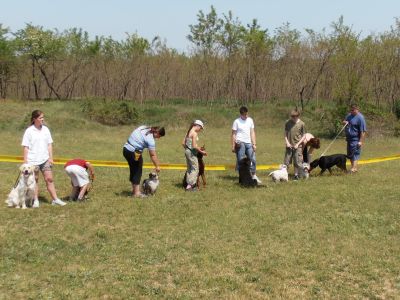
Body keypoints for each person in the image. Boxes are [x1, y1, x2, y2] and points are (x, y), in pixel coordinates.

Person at [21, 110, 67, 207]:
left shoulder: (46, 129)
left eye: (43, 117)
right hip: (33, 161)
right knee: (35, 180)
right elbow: (26, 147)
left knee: (49, 179)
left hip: (45, 159)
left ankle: (55, 199)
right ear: (34, 119)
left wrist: (51, 158)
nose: (43, 119)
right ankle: (36, 200)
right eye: (41, 118)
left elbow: (49, 144)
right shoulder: (29, 131)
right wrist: (25, 162)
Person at [123, 126, 165, 197]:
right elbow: (152, 155)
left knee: (133, 169)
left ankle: (134, 191)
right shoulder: (150, 140)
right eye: (159, 136)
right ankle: (137, 193)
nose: (158, 138)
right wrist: (157, 166)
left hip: (126, 149)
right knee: (137, 171)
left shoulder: (144, 127)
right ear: (157, 132)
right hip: (133, 152)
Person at [231, 106, 262, 184]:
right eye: (245, 114)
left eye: (247, 114)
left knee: (253, 159)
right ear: (241, 114)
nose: (246, 116)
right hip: (240, 143)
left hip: (249, 143)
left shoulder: (250, 120)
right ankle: (241, 177)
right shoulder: (236, 122)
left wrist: (254, 144)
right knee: (240, 160)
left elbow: (252, 132)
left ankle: (254, 175)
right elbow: (234, 134)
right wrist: (233, 146)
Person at [182, 120, 207, 191]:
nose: (200, 130)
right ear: (197, 125)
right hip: (192, 153)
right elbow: (194, 146)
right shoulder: (194, 133)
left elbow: (183, 143)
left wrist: (187, 149)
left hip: (187, 151)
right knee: (195, 169)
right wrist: (202, 152)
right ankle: (191, 186)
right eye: (201, 128)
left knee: (189, 169)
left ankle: (188, 185)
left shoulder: (188, 132)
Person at [343, 104, 367, 173]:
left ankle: (353, 168)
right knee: (350, 154)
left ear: (357, 110)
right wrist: (345, 122)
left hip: (356, 139)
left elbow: (363, 131)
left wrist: (360, 141)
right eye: (351, 110)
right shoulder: (349, 115)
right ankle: (353, 168)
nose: (351, 111)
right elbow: (344, 121)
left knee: (355, 154)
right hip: (349, 139)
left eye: (353, 110)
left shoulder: (360, 118)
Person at [284, 109, 306, 180]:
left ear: (298, 116)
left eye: (295, 116)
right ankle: (285, 175)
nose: (293, 118)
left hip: (298, 146)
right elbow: (285, 134)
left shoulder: (302, 124)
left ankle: (296, 175)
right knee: (286, 162)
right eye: (292, 116)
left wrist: (298, 144)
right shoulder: (287, 123)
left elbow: (304, 136)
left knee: (297, 162)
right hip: (289, 146)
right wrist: (287, 142)